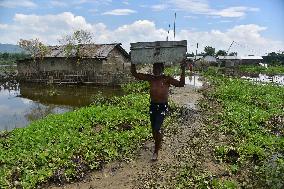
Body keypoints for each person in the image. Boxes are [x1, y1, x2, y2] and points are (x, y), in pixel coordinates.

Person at [131, 61, 186, 161]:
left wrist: (183, 70)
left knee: (157, 128)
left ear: (162, 69)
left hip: (162, 107)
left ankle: (156, 151)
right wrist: (133, 62)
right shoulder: (151, 78)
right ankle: (159, 140)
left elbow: (181, 84)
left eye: (158, 68)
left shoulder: (166, 79)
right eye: (154, 68)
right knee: (153, 130)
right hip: (153, 106)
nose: (155, 70)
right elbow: (135, 74)